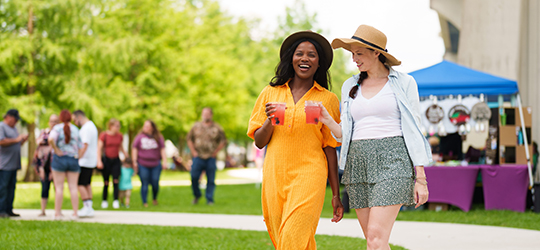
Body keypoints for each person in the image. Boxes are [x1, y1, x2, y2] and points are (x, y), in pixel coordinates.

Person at [318, 25, 431, 249]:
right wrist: (328, 120)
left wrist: (421, 179)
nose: (354, 60)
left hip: (394, 161)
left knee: (376, 237)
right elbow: (345, 135)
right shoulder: (350, 85)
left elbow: (414, 129)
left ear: (376, 52)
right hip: (358, 163)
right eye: (352, 54)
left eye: (359, 53)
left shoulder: (404, 83)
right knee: (374, 241)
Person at [247, 30, 343, 249]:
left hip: (310, 174)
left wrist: (336, 194)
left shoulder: (327, 99)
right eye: (300, 53)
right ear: (291, 58)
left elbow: (330, 147)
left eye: (312, 55)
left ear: (319, 63)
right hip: (275, 175)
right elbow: (259, 142)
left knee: (293, 234)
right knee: (286, 236)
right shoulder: (270, 93)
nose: (305, 59)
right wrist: (270, 120)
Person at [187, 107, 227, 205]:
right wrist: (193, 152)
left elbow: (223, 141)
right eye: (204, 113)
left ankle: (209, 198)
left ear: (211, 115)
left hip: (210, 157)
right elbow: (189, 139)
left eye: (207, 113)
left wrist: (215, 152)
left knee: (211, 179)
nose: (205, 115)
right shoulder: (196, 126)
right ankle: (197, 195)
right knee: (194, 176)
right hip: (198, 156)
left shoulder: (217, 127)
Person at [49, 110, 83, 219]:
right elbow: (81, 146)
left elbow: (50, 139)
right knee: (73, 187)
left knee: (59, 188)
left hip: (59, 159)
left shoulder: (57, 128)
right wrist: (78, 156)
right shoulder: (76, 129)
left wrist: (56, 149)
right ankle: (75, 213)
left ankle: (57, 213)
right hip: (73, 159)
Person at [132, 120, 167, 207]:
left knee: (155, 182)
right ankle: (145, 202)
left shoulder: (158, 137)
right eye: (144, 126)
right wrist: (134, 161)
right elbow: (134, 148)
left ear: (152, 127)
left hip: (155, 164)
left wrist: (165, 161)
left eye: (147, 126)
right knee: (144, 183)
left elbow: (162, 150)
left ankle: (154, 198)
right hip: (142, 163)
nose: (145, 128)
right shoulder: (139, 137)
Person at [0, 109, 28, 218]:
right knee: (3, 187)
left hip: (14, 164)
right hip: (4, 164)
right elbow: (1, 141)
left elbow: (16, 144)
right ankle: (1, 210)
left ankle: (9, 209)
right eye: (15, 119)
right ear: (9, 117)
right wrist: (17, 139)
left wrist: (22, 141)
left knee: (11, 187)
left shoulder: (14, 128)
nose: (16, 122)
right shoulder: (2, 126)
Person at [97, 118, 128, 209]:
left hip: (116, 160)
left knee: (116, 181)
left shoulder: (119, 136)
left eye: (119, 126)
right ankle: (104, 200)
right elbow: (99, 148)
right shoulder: (104, 135)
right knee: (106, 182)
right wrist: (99, 160)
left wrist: (126, 155)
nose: (118, 128)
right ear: (111, 126)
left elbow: (121, 147)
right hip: (106, 160)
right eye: (117, 126)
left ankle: (115, 200)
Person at [32, 114, 59, 216]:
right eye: (52, 121)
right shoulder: (44, 132)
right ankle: (43, 211)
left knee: (57, 188)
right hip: (44, 166)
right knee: (44, 188)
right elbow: (38, 150)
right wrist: (40, 168)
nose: (53, 123)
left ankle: (57, 210)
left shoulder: (60, 134)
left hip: (56, 165)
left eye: (56, 121)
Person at [72, 110, 98, 217]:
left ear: (79, 117)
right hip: (90, 160)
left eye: (74, 120)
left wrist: (78, 157)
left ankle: (87, 207)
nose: (74, 122)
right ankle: (89, 206)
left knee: (80, 184)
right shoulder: (91, 126)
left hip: (85, 161)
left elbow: (84, 145)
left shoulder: (86, 128)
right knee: (87, 184)